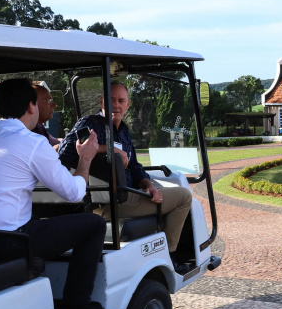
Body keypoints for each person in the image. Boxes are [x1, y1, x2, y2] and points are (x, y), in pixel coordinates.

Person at [0, 78, 106, 309]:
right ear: (31, 107)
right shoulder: (33, 142)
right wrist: (86, 158)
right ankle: (75, 307)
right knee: (95, 224)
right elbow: (73, 194)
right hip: (7, 242)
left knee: (32, 216)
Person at [59, 82, 192, 272]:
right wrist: (110, 150)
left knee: (164, 191)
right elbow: (66, 152)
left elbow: (135, 166)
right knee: (184, 197)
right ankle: (169, 257)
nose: (116, 105)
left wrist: (148, 184)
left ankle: (158, 251)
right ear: (101, 102)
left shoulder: (123, 130)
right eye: (111, 100)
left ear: (127, 105)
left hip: (129, 193)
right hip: (110, 200)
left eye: (121, 101)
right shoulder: (90, 123)